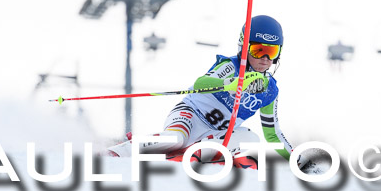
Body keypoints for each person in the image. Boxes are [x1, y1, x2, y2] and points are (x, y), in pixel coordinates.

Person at [106, 15, 298, 168]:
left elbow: (272, 134)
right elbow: (200, 83)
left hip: (216, 134)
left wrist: (296, 160)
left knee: (251, 140)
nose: (265, 58)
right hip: (190, 115)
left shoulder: (269, 89)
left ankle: (191, 155)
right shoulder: (230, 66)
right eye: (258, 50)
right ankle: (116, 153)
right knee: (175, 139)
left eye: (271, 52)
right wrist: (231, 83)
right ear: (244, 47)